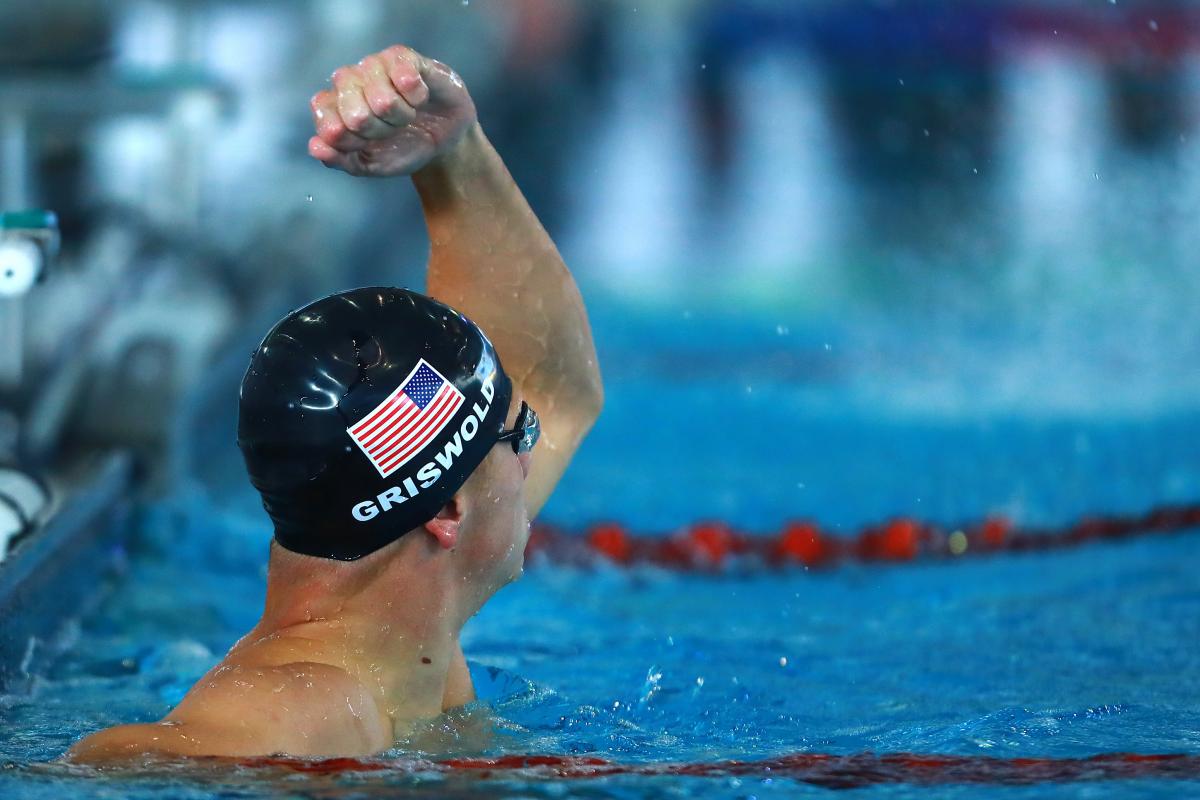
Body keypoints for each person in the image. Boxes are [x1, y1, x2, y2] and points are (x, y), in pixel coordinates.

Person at [66, 43, 603, 761]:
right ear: (445, 512)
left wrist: (455, 155)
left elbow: (557, 382)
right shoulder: (308, 709)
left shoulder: (404, 621)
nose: (535, 447)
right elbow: (99, 763)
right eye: (520, 434)